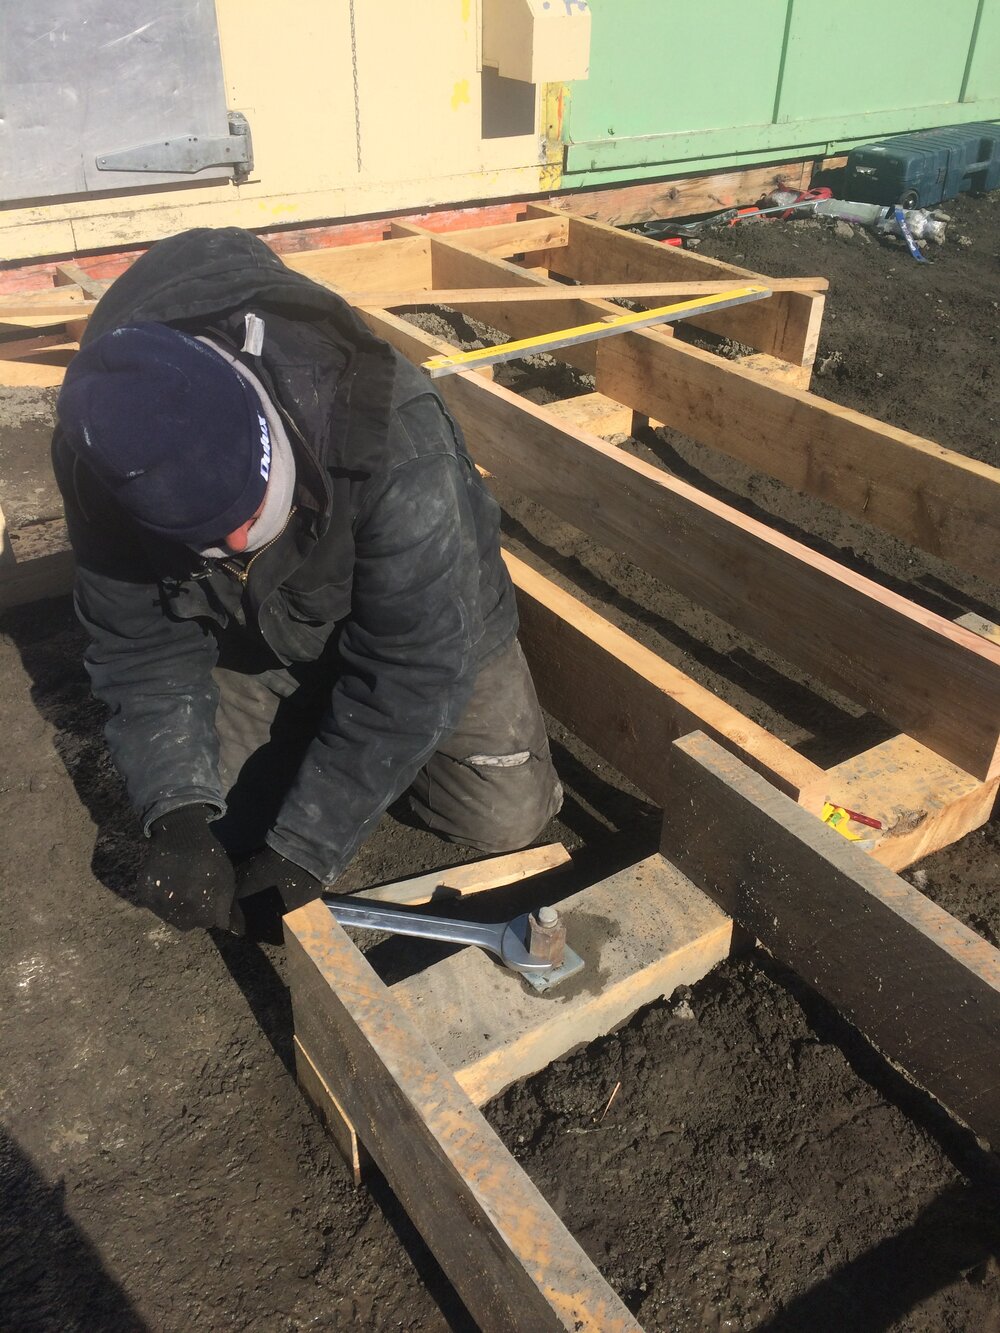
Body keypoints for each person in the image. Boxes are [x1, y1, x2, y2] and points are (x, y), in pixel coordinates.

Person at [52, 227, 562, 934]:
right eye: (209, 542)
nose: (234, 542)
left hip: (434, 624)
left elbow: (416, 667)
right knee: (222, 823)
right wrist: (177, 814)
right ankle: (321, 723)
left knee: (504, 812)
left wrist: (303, 851)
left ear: (267, 433)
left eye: (251, 516)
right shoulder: (104, 452)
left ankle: (343, 739)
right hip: (261, 634)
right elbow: (140, 648)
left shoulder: (392, 437)